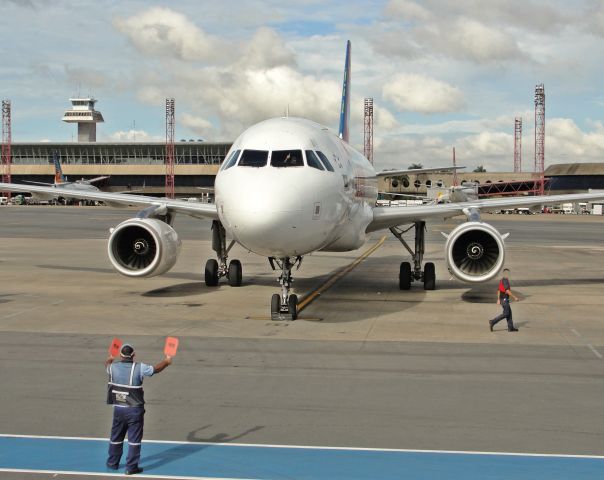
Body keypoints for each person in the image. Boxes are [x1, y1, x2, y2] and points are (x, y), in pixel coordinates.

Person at [105, 343, 172, 475]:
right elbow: (155, 369)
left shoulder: (111, 368)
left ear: (121, 355)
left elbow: (107, 363)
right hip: (134, 410)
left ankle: (112, 463)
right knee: (134, 439)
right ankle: (131, 467)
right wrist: (167, 361)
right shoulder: (140, 368)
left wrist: (111, 356)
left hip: (118, 409)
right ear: (134, 355)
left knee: (116, 437)